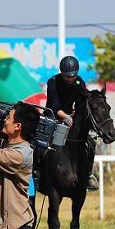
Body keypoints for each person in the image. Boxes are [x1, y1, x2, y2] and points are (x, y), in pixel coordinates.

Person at [42, 55, 98, 190]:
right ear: (62, 74)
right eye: (67, 76)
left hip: (72, 120)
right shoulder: (53, 82)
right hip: (54, 117)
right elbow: (54, 106)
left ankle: (87, 175)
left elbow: (83, 102)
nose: (70, 79)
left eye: (73, 76)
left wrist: (75, 115)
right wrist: (66, 117)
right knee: (41, 145)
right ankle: (39, 173)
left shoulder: (79, 82)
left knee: (90, 143)